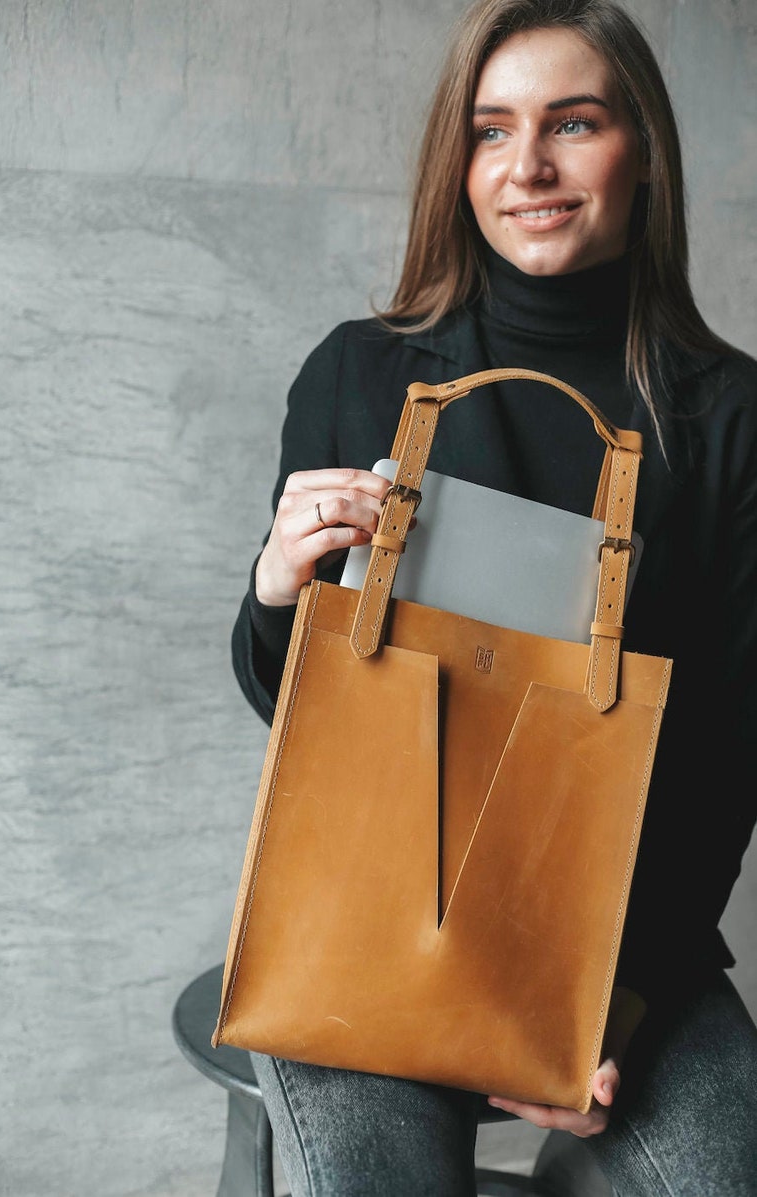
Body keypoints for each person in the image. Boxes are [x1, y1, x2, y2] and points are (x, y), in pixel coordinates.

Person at [230, 0, 757, 1192]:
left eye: (570, 123)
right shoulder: (359, 374)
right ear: (456, 163)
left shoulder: (727, 420)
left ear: (642, 152)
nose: (527, 167)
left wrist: (596, 1010)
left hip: (623, 939)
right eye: (490, 131)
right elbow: (291, 705)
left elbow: (728, 753)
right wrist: (277, 589)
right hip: (357, 916)